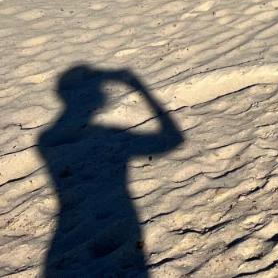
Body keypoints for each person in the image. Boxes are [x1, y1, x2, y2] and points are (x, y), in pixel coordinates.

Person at [38, 66, 183, 277]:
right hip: (123, 211)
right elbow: (173, 139)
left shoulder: (44, 138)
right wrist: (140, 88)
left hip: (62, 234)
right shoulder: (108, 133)